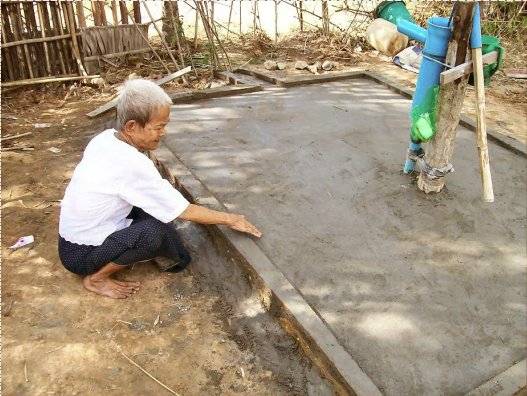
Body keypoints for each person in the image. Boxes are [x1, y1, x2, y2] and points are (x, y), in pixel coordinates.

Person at [58, 79, 261, 299]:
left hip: (72, 239)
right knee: (154, 234)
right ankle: (97, 278)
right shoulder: (131, 164)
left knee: (161, 221)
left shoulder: (106, 139)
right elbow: (183, 210)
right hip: (81, 255)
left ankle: (139, 249)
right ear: (131, 127)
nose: (163, 133)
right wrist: (231, 219)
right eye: (158, 127)